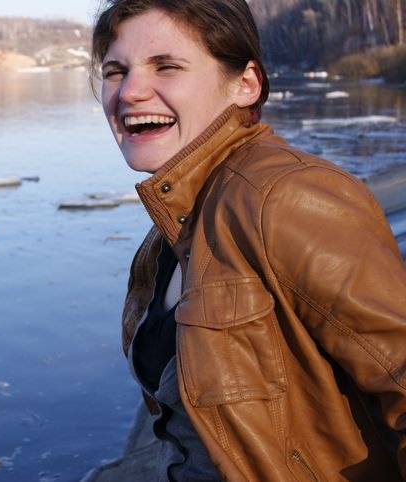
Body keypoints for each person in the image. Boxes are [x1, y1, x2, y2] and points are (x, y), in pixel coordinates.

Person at [90, 0, 406, 480]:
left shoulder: (286, 198)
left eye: (166, 66)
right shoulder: (176, 221)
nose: (130, 91)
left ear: (246, 84)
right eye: (116, 71)